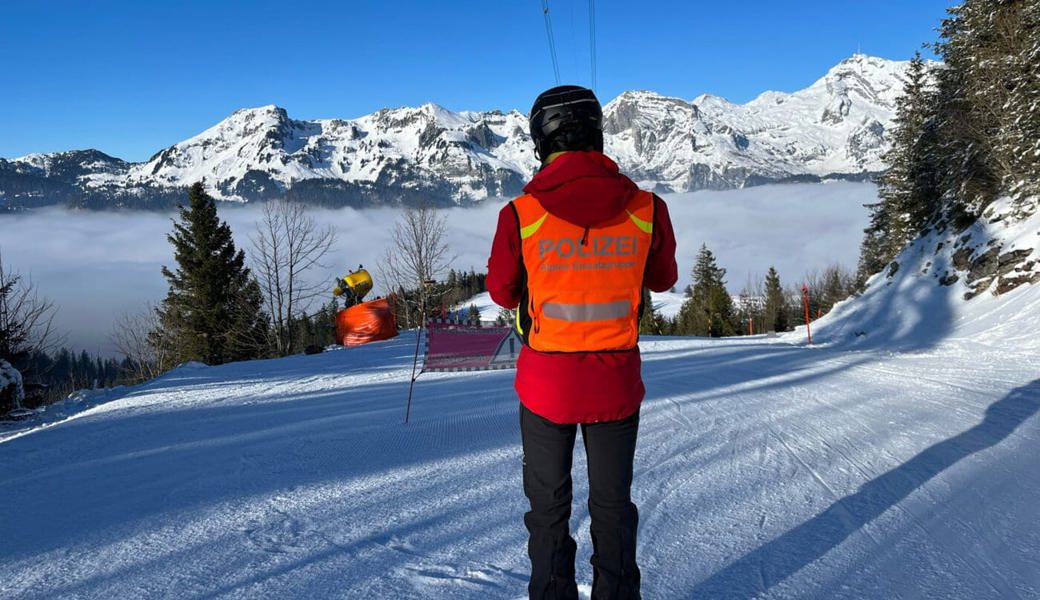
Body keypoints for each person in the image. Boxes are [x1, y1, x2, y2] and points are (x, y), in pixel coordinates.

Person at [487, 85, 678, 600]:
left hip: (547, 388)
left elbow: (501, 290)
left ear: (540, 142)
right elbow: (662, 279)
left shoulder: (520, 214)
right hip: (615, 384)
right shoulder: (647, 209)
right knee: (613, 506)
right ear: (597, 134)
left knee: (548, 508)